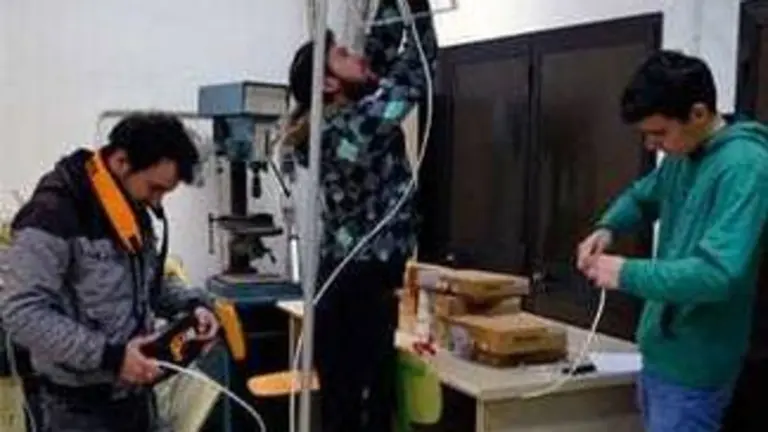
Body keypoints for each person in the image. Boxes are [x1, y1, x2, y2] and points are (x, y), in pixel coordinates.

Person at [576, 50, 768, 432]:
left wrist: (626, 273)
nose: (651, 145)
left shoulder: (745, 167)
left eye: (659, 133)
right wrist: (608, 228)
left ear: (698, 114)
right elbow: (641, 197)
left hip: (696, 368)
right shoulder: (684, 154)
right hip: (660, 356)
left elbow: (718, 275)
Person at [0, 112, 220, 432]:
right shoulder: (52, 214)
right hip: (77, 410)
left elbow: (150, 282)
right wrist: (111, 357)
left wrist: (193, 306)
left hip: (135, 400)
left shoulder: (130, 210)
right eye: (154, 188)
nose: (156, 201)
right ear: (121, 161)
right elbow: (21, 313)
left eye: (165, 193)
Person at [283, 0, 436, 430]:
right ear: (329, 83)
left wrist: (392, 4)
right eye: (343, 55)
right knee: (361, 413)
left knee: (354, 407)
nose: (358, 55)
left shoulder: (343, 116)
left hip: (356, 281)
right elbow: (415, 74)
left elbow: (380, 53)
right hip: (358, 288)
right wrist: (418, 7)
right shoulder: (348, 129)